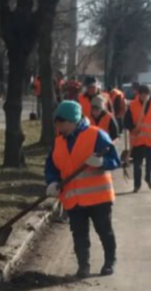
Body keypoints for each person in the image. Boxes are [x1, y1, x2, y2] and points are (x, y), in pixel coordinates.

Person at [45, 101, 122, 278]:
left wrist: (102, 163)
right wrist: (52, 181)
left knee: (104, 231)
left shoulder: (97, 135)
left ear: (73, 121)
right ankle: (83, 266)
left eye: (61, 123)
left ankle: (110, 262)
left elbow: (115, 160)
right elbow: (51, 166)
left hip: (98, 198)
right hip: (74, 200)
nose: (59, 127)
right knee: (79, 235)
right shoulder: (59, 141)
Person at [125, 84, 151, 193]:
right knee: (137, 165)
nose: (143, 96)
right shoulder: (133, 105)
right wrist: (132, 128)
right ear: (138, 94)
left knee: (150, 163)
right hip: (138, 141)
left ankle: (148, 178)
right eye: (141, 94)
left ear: (149, 94)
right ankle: (136, 185)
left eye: (145, 94)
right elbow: (127, 121)